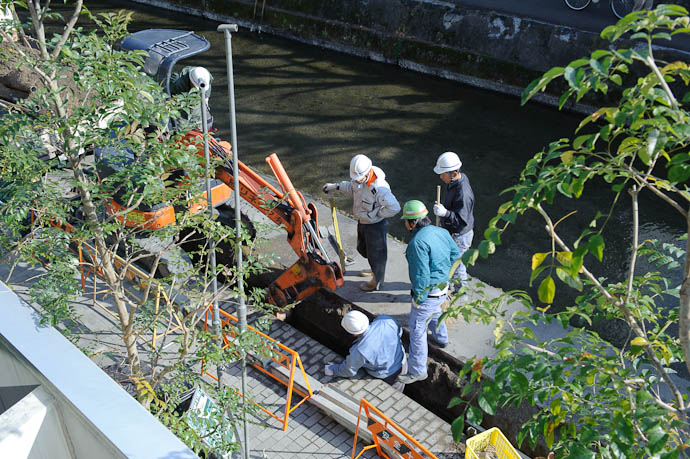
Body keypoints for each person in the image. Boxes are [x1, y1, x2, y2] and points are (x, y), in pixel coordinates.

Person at [398, 200, 459, 384]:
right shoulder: (441, 232)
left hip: (428, 292)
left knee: (417, 330)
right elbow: (455, 255)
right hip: (442, 288)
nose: (405, 224)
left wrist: (419, 298)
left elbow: (421, 276)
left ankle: (417, 370)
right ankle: (441, 339)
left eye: (406, 221)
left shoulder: (417, 244)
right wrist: (446, 277)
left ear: (413, 222)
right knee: (436, 313)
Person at [323, 154, 400, 291]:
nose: (356, 181)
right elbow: (352, 188)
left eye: (358, 179)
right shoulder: (359, 180)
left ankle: (377, 281)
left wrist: (377, 214)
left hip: (375, 225)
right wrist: (336, 187)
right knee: (363, 249)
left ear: (367, 173)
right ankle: (373, 267)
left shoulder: (379, 188)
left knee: (377, 254)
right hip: (363, 221)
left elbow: (395, 208)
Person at [325, 310, 407, 392]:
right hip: (403, 363)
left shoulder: (359, 350)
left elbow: (349, 370)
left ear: (354, 334)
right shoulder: (385, 320)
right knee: (401, 384)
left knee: (394, 393)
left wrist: (333, 369)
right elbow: (399, 332)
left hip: (388, 375)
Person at [432, 151, 474, 289]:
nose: (440, 176)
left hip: (460, 235)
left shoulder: (463, 194)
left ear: (454, 174)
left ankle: (460, 296)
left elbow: (462, 221)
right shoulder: (455, 181)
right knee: (450, 262)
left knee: (457, 268)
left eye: (443, 174)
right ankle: (449, 287)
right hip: (452, 231)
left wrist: (445, 213)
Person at [168, 66, 214, 130]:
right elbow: (168, 96)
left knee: (205, 122)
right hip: (179, 104)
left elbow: (205, 99)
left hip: (196, 107)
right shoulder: (176, 82)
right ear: (191, 81)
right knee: (181, 127)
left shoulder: (206, 77)